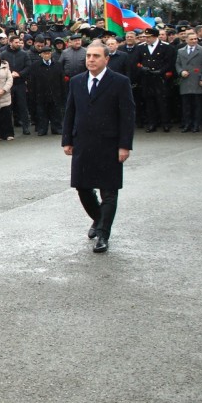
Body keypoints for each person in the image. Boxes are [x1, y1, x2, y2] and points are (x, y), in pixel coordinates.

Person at [62, 42, 135, 254]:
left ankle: (103, 234)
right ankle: (99, 218)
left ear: (106, 59)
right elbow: (70, 111)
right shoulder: (77, 81)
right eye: (88, 56)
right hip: (83, 144)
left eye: (95, 56)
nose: (91, 60)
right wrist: (67, 140)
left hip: (109, 145)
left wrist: (124, 145)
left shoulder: (120, 82)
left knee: (109, 191)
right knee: (82, 187)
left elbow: (127, 116)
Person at [175, 30, 202, 132]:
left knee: (197, 105)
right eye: (191, 39)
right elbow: (177, 64)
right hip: (185, 81)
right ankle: (187, 124)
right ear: (186, 40)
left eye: (195, 39)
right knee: (186, 105)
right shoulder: (181, 51)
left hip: (197, 80)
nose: (194, 41)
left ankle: (196, 124)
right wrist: (181, 72)